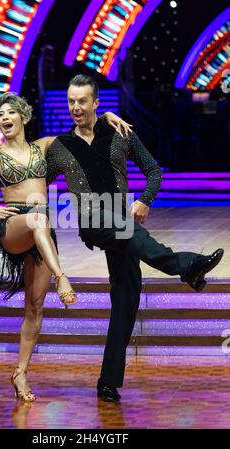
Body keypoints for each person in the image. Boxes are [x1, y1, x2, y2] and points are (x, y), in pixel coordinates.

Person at [43, 74, 224, 402]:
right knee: (126, 231)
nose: (75, 107)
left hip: (122, 224)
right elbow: (38, 176)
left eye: (82, 101)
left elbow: (154, 170)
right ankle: (188, 265)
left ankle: (107, 382)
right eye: (71, 101)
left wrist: (144, 199)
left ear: (96, 103)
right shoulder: (61, 147)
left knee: (126, 298)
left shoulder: (119, 132)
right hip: (93, 221)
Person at [0, 91, 130, 402]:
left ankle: (20, 372)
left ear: (23, 117)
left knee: (35, 307)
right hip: (14, 227)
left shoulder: (44, 146)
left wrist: (105, 118)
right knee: (38, 219)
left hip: (41, 234)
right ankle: (62, 277)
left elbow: (81, 129)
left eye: (10, 113)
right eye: (0, 115)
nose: (4, 119)